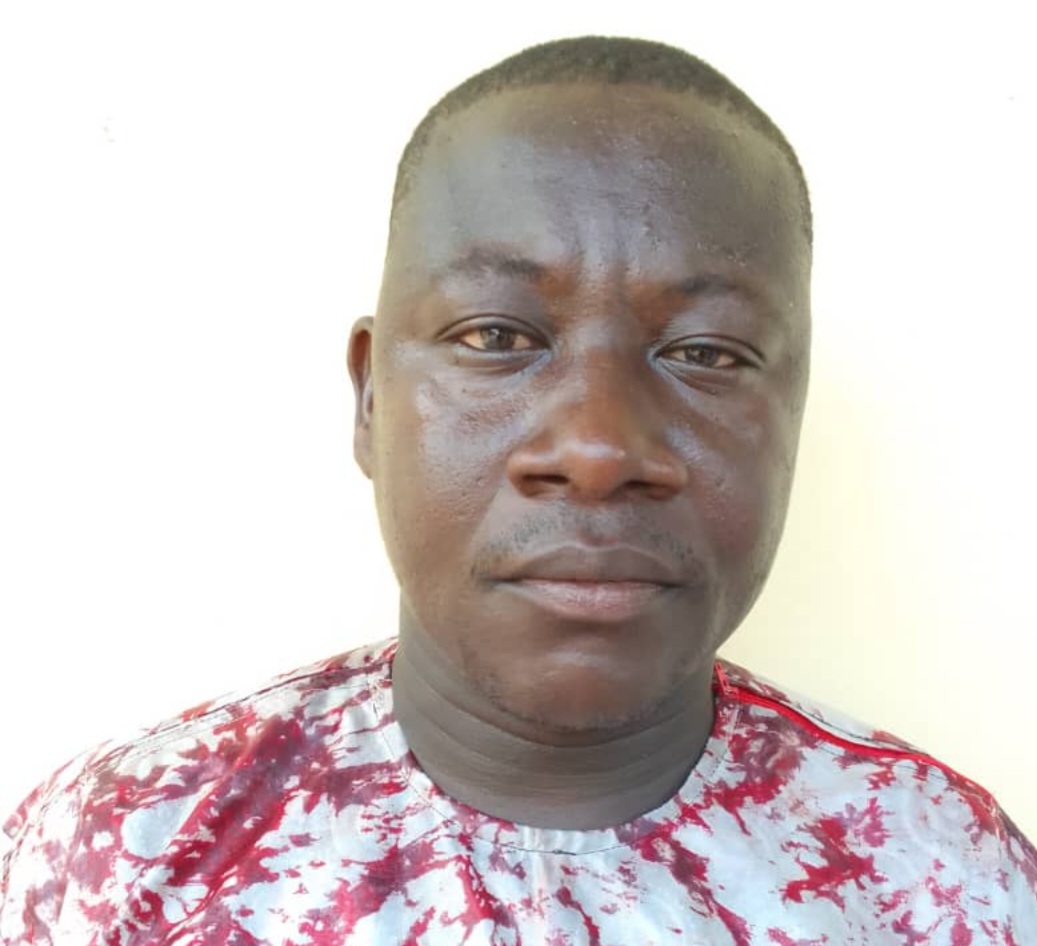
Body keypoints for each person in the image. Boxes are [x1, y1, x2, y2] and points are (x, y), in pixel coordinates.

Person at [1, 34, 1034, 945]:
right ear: (370, 401)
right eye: (494, 336)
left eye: (707, 353)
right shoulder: (118, 853)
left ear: (792, 415)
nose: (597, 448)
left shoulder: (946, 880)